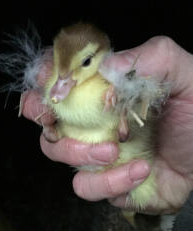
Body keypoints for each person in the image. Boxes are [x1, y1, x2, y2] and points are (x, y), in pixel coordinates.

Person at [22, 36, 193, 215]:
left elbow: (135, 105)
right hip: (143, 174)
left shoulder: (108, 84)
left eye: (86, 61)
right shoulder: (57, 87)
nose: (60, 85)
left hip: (139, 163)